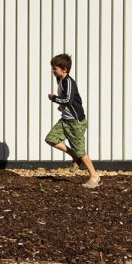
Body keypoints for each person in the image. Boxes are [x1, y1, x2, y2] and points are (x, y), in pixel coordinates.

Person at [44, 53, 101, 188]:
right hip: (65, 120)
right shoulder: (60, 80)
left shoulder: (69, 82)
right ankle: (74, 155)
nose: (53, 71)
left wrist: (54, 98)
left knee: (81, 151)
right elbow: (66, 100)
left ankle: (94, 176)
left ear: (64, 69)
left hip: (76, 122)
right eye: (52, 68)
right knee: (51, 139)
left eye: (55, 68)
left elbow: (68, 100)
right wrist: (61, 107)